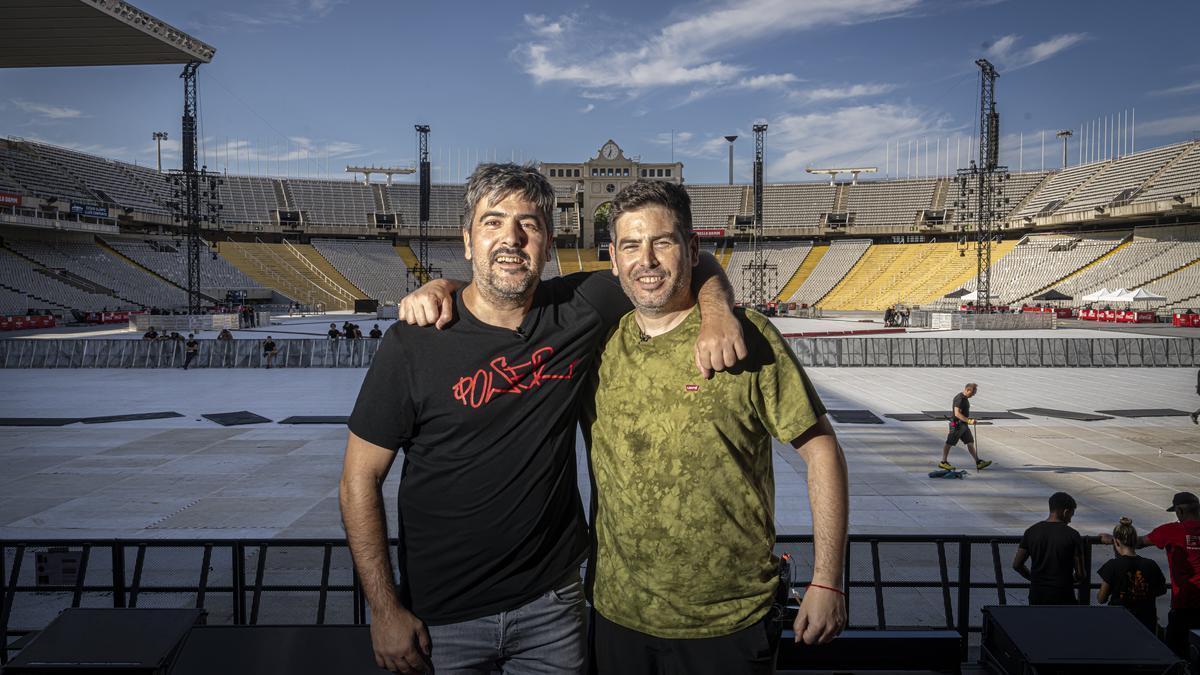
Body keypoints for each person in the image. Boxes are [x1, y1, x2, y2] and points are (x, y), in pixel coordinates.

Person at [340, 164, 746, 675]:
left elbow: (689, 258)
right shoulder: (413, 343)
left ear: (548, 244)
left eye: (528, 225)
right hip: (441, 618)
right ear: (467, 242)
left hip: (551, 610)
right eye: (493, 223)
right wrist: (384, 608)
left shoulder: (579, 308)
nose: (511, 238)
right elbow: (359, 480)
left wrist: (716, 313)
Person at [584, 179, 848, 674]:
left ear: (692, 249)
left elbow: (822, 452)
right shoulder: (598, 347)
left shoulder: (749, 339)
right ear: (613, 259)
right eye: (630, 245)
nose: (647, 260)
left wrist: (827, 578)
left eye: (662, 242)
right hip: (618, 617)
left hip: (730, 622)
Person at [1102, 492, 1200, 657]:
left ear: (1180, 511)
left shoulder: (1170, 531)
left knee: (1174, 653)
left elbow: (1137, 543)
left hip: (1184, 604)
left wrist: (1113, 539)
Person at [1096, 517, 1167, 633]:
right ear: (1135, 541)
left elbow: (1101, 599)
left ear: (1116, 542)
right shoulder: (1151, 565)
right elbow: (1162, 590)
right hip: (1145, 622)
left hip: (1118, 621)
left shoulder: (1112, 566)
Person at [1013, 492, 1085, 605]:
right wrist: (1071, 580)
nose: (1070, 520)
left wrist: (1033, 578)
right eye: (1071, 515)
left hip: (1038, 594)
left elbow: (1017, 564)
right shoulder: (1073, 535)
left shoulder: (1031, 531)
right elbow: (1080, 573)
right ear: (1066, 512)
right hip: (1063, 594)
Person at [938, 383, 991, 471]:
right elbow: (957, 413)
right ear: (967, 390)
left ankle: (978, 462)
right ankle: (943, 462)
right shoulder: (960, 399)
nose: (973, 395)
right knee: (949, 442)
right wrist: (969, 421)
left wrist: (967, 421)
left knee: (970, 442)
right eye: (973, 393)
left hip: (963, 425)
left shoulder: (964, 398)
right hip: (957, 425)